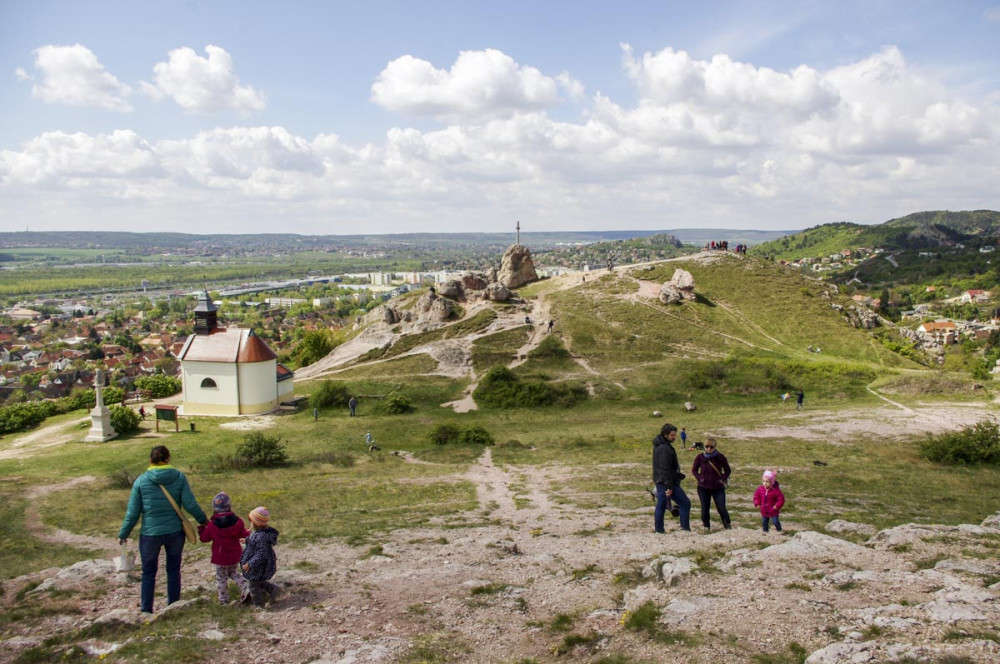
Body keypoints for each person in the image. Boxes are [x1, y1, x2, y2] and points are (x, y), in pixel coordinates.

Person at [118, 445, 207, 614]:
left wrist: (123, 533)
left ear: (150, 460)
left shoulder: (141, 481)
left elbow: (133, 513)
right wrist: (204, 521)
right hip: (175, 532)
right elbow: (190, 504)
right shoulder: (179, 477)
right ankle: (173, 606)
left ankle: (146, 610)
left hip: (150, 534)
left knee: (148, 572)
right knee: (173, 569)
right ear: (168, 459)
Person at [198, 492, 250, 605]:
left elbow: (204, 538)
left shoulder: (213, 524)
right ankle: (245, 586)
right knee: (233, 572)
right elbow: (244, 534)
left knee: (221, 578)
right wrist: (249, 531)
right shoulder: (238, 521)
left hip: (221, 557)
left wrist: (201, 529)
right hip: (235, 554)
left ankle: (224, 600)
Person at [652, 423, 691, 533]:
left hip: (660, 480)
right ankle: (685, 529)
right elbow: (665, 468)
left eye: (675, 435)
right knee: (685, 503)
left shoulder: (658, 444)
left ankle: (659, 530)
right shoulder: (664, 448)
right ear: (665, 435)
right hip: (667, 482)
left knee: (661, 504)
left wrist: (677, 474)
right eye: (672, 435)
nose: (674, 437)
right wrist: (669, 486)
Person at [241, 507, 280, 607]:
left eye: (251, 521)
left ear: (256, 523)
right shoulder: (259, 534)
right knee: (258, 581)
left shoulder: (261, 537)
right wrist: (246, 541)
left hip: (258, 565)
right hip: (257, 564)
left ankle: (259, 605)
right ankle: (273, 589)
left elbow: (261, 553)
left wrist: (250, 564)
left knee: (253, 585)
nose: (250, 524)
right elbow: (255, 544)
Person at [691, 436, 731, 531]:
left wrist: (722, 478)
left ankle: (727, 524)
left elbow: (728, 470)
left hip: (718, 487)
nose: (709, 449)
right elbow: (694, 470)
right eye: (707, 446)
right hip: (703, 487)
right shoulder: (700, 457)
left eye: (711, 447)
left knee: (721, 507)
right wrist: (699, 478)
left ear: (715, 447)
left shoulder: (720, 457)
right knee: (705, 508)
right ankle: (706, 526)